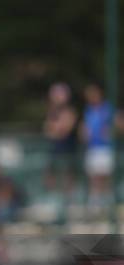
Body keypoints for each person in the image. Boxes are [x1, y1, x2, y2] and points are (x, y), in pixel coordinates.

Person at [79, 84, 115, 215]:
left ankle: (108, 203)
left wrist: (110, 131)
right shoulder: (88, 110)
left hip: (104, 148)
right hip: (92, 148)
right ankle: (95, 206)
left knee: (105, 176)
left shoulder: (107, 108)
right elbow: (84, 128)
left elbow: (116, 123)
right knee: (93, 177)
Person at [43, 82, 78, 194]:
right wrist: (57, 129)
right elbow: (48, 130)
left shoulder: (70, 111)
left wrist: (57, 129)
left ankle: (68, 195)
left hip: (67, 146)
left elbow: (65, 129)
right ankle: (52, 194)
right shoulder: (52, 112)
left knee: (68, 172)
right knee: (50, 171)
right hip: (55, 146)